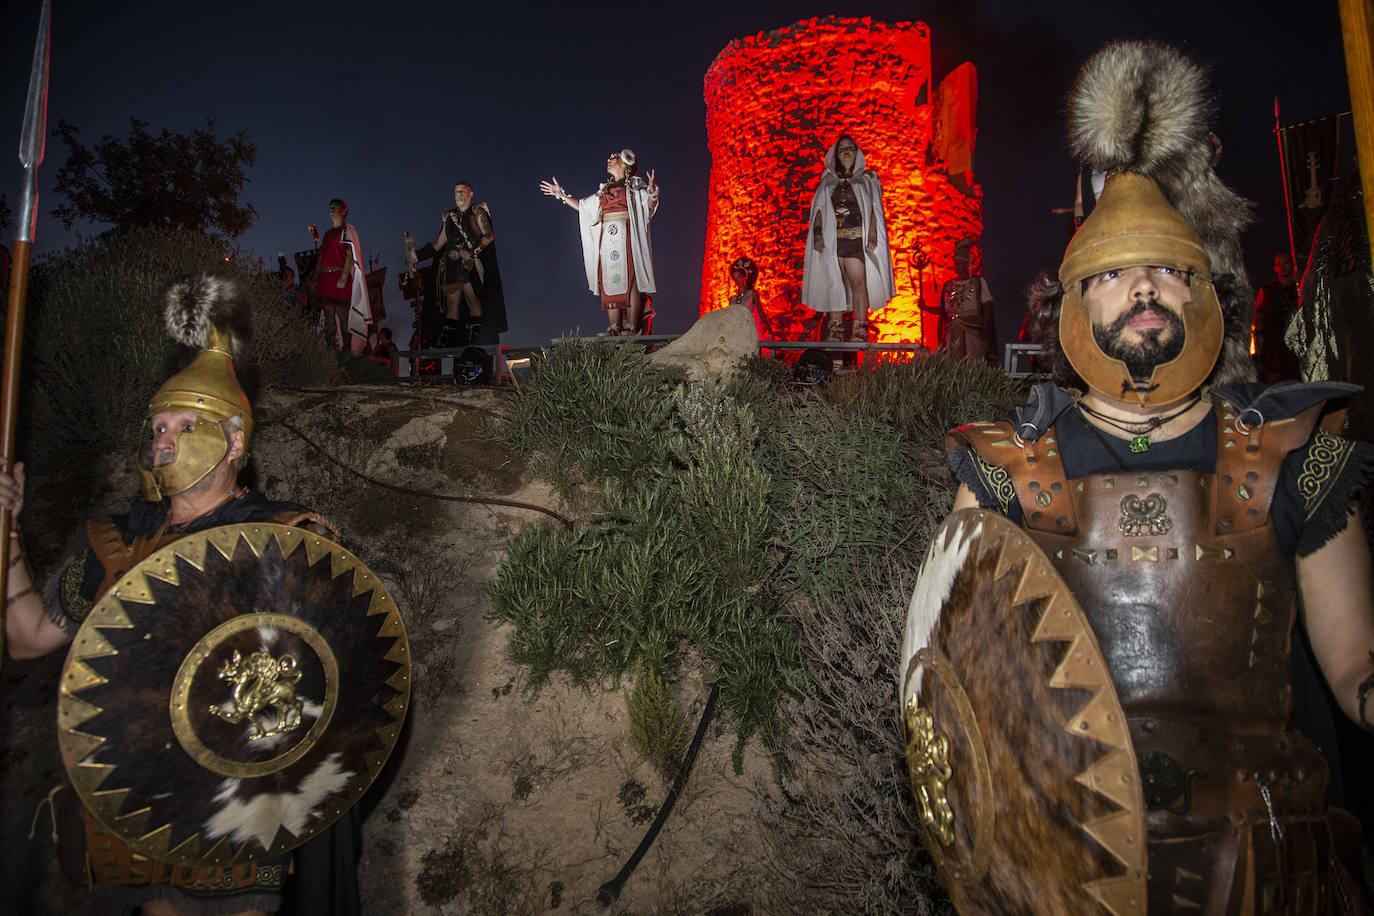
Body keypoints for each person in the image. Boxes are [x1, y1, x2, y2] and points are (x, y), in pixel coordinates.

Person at [927, 42, 1373, 909]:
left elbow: (1357, 662)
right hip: (1072, 880)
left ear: (1202, 294)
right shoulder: (1004, 471)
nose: (1144, 287)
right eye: (1114, 273)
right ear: (1074, 303)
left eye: (1169, 269)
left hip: (1272, 876)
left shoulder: (1292, 455)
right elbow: (961, 700)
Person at [1, 274, 355, 916]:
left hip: (237, 820)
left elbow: (327, 691)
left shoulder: (284, 541)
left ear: (235, 442)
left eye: (185, 426)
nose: (163, 440)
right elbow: (26, 638)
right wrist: (7, 532)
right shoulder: (121, 544)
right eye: (158, 427)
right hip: (143, 819)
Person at [540, 149, 659, 336]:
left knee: (631, 279)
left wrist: (652, 195)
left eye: (614, 158)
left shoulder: (634, 186)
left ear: (625, 163)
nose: (609, 160)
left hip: (627, 235)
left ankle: (631, 326)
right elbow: (584, 207)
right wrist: (562, 195)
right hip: (608, 239)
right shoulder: (604, 190)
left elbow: (648, 208)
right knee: (609, 279)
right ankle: (614, 327)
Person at [800, 134, 894, 345]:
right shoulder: (827, 182)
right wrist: (817, 234)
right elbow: (819, 210)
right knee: (834, 283)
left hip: (855, 240)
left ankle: (860, 328)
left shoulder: (866, 180)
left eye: (850, 147)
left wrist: (872, 235)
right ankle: (835, 328)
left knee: (858, 282)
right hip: (833, 242)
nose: (847, 151)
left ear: (856, 152)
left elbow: (874, 209)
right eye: (842, 148)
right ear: (836, 155)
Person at [406, 182, 493, 348]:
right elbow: (438, 244)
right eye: (456, 192)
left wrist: (472, 253)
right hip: (452, 266)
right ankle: (447, 339)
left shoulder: (477, 212)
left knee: (472, 300)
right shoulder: (449, 217)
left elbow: (488, 236)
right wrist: (416, 256)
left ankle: (475, 338)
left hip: (469, 264)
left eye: (463, 191)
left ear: (471, 194)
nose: (459, 194)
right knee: (452, 304)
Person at [312, 198, 372, 354]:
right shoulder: (327, 234)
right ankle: (331, 351)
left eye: (335, 207)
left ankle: (346, 351)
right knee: (328, 316)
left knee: (342, 314)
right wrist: (316, 276)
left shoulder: (346, 230)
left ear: (343, 211)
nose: (331, 210)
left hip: (339, 275)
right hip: (326, 278)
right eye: (330, 207)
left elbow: (350, 254)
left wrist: (344, 276)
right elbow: (322, 256)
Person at [936, 237, 996, 363]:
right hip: (952, 328)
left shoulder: (978, 282)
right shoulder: (948, 285)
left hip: (973, 328)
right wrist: (924, 307)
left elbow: (987, 306)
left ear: (966, 264)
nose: (957, 266)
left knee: (973, 359)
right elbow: (942, 310)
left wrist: (985, 326)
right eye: (956, 263)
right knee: (953, 360)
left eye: (960, 263)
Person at [1253, 251, 1302, 382]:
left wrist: (1303, 283)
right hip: (1275, 343)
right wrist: (1260, 345)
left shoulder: (1299, 287)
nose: (1282, 267)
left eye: (1286, 263)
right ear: (1275, 268)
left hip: (1296, 339)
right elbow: (1259, 316)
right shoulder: (1267, 290)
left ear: (1292, 265)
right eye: (1278, 264)